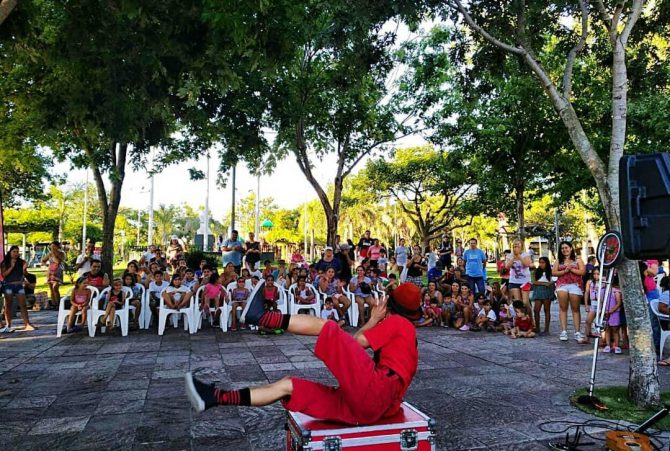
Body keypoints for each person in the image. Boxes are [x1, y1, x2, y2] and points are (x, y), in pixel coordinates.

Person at [185, 282, 421, 426]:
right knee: (289, 385)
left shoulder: (399, 323)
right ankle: (215, 398)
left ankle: (263, 318)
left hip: (375, 390)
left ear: (391, 306)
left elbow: (357, 342)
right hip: (375, 408)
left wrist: (373, 320)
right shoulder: (408, 334)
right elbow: (354, 347)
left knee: (327, 327)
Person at [553, 241, 586, 342]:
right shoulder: (559, 260)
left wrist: (571, 270)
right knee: (563, 308)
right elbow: (554, 272)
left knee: (575, 308)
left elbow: (582, 272)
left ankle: (577, 332)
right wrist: (564, 271)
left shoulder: (578, 259)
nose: (564, 250)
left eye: (566, 247)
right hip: (562, 284)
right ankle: (564, 331)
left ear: (571, 248)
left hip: (575, 284)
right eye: (562, 248)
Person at [1, 246, 36, 331]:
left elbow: (25, 274)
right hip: (8, 285)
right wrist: (12, 266)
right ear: (10, 252)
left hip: (19, 285)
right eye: (14, 251)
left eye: (17, 252)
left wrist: (24, 269)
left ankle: (27, 323)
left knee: (23, 305)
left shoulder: (21, 262)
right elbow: (4, 275)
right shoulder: (5, 262)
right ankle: (8, 325)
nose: (16, 253)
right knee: (8, 305)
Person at [505, 240, 533, 312]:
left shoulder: (526, 255)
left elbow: (527, 264)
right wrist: (513, 257)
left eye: (517, 245)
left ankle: (530, 319)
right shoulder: (509, 256)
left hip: (525, 281)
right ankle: (521, 320)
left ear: (521, 246)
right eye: (514, 246)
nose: (516, 247)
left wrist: (519, 256)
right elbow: (507, 267)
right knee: (518, 303)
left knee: (525, 303)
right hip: (514, 281)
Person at [532, 257, 554, 336]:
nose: (541, 264)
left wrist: (549, 284)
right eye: (540, 262)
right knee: (536, 310)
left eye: (543, 262)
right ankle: (537, 327)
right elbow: (534, 282)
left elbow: (553, 280)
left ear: (546, 263)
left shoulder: (550, 271)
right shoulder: (537, 271)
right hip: (538, 290)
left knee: (546, 310)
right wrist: (544, 283)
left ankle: (546, 329)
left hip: (547, 291)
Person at [41, 241, 65, 309]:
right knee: (51, 289)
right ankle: (54, 304)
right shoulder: (49, 254)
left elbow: (58, 261)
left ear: (57, 247)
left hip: (58, 272)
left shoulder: (61, 253)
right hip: (50, 272)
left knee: (55, 288)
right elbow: (43, 260)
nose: (52, 248)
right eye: (51, 246)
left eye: (54, 246)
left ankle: (58, 304)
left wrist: (54, 253)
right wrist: (46, 265)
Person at [603, 275, 623, 354]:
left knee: (615, 330)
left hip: (614, 313)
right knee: (607, 329)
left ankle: (616, 345)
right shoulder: (604, 291)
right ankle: (608, 345)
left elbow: (618, 303)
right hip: (606, 312)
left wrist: (611, 311)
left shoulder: (616, 291)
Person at [581, 268, 601, 344]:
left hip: (600, 304)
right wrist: (586, 304)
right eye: (594, 274)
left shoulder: (603, 282)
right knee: (588, 321)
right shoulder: (590, 282)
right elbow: (586, 293)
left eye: (598, 274)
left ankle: (603, 339)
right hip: (593, 303)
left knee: (601, 322)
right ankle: (586, 337)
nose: (596, 276)